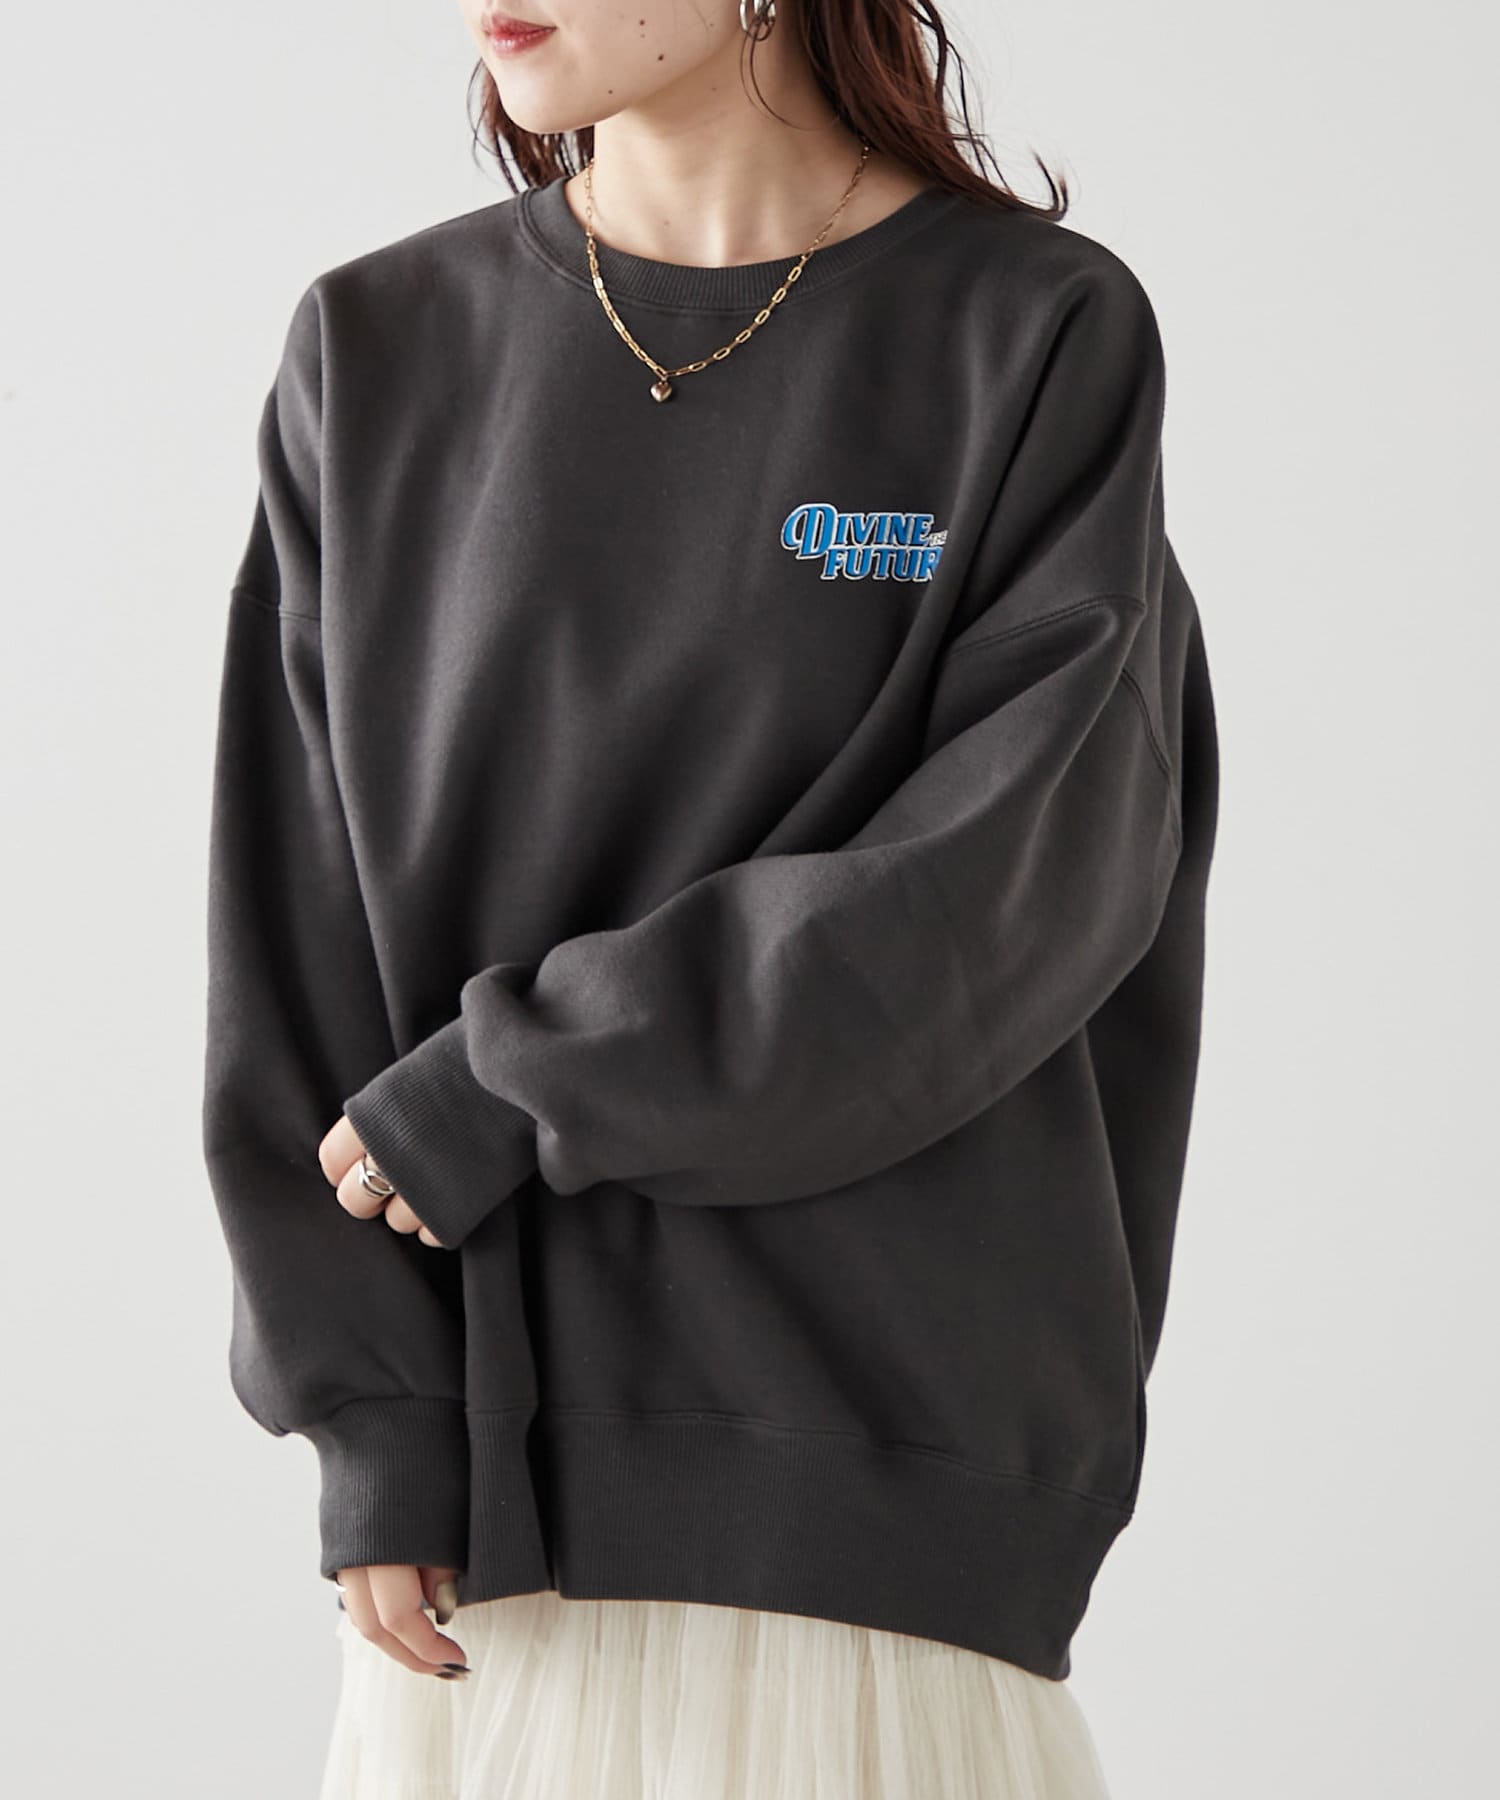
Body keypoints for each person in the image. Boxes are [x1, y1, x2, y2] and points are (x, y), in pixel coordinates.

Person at [201, 0, 1220, 1794]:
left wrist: (516, 1080)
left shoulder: (1031, 333)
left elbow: (1010, 885)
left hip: (882, 1512)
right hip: (485, 1552)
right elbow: (292, 933)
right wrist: (374, 1424)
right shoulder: (375, 347)